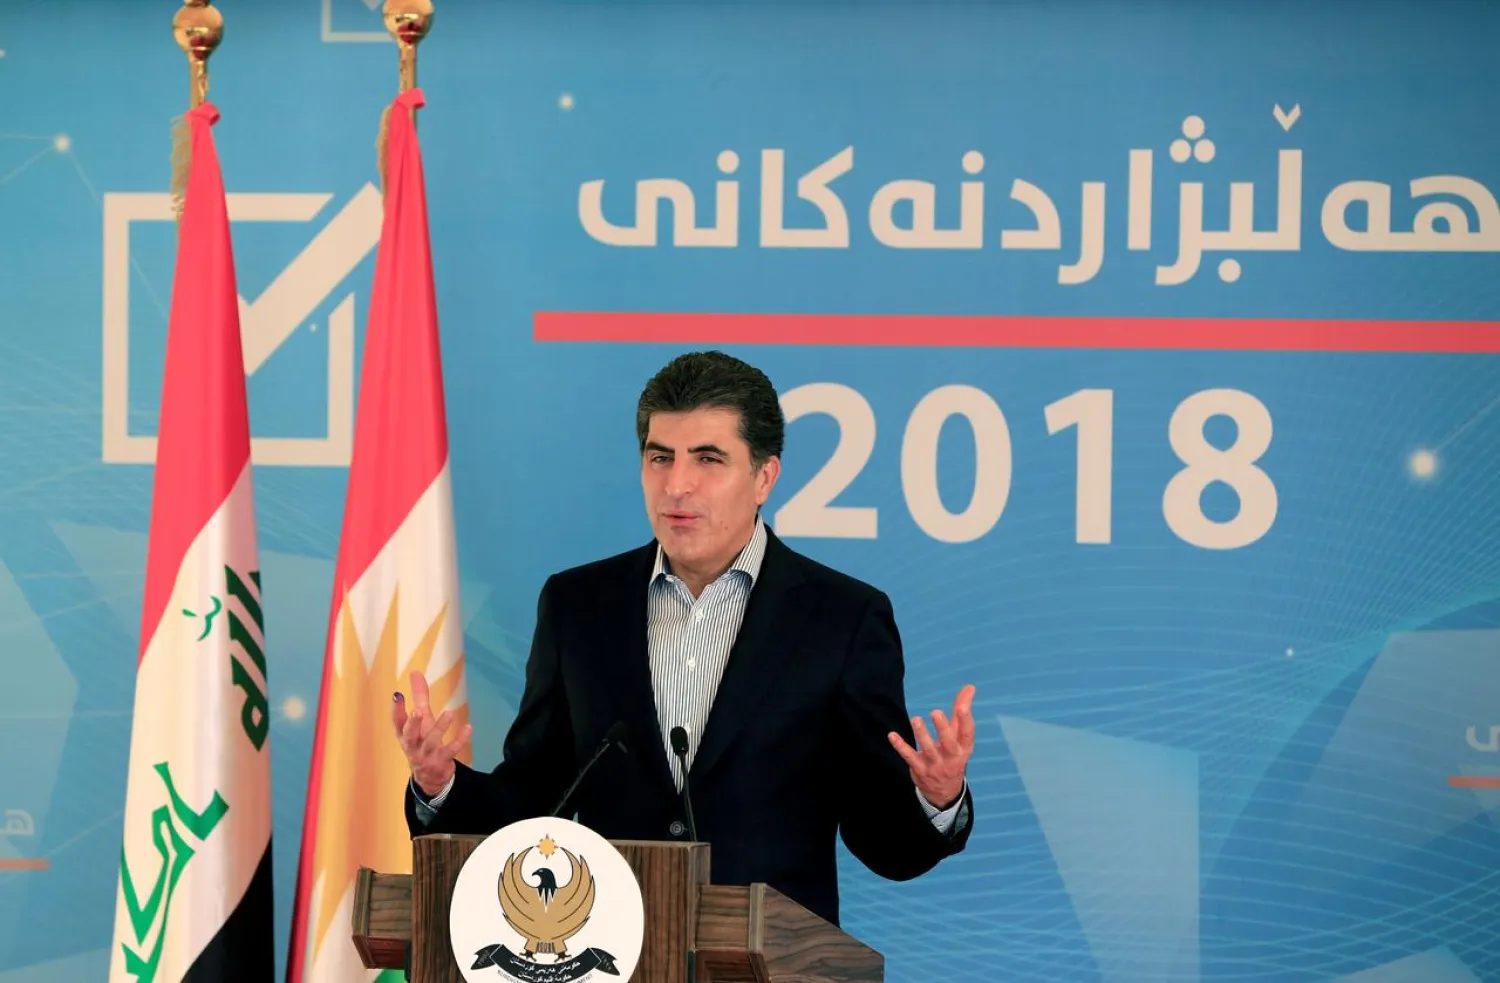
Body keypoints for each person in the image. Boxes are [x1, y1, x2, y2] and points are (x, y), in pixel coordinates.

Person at [392, 351, 976, 928]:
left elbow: (886, 844)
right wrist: (442, 786)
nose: (676, 485)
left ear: (765, 477)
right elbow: (535, 801)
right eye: (660, 457)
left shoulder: (842, 617)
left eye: (708, 459)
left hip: (772, 960)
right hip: (607, 951)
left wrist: (936, 798)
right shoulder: (578, 605)